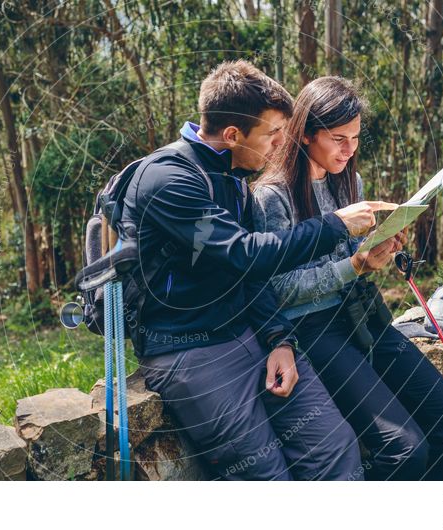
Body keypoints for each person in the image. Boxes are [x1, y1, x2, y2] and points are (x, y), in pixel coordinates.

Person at [120, 61, 393, 480]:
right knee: (265, 475)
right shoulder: (170, 179)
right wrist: (334, 225)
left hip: (248, 335)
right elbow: (246, 256)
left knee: (337, 451)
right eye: (272, 134)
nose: (281, 144)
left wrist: (278, 340)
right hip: (187, 350)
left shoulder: (233, 179)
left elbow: (249, 279)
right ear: (232, 135)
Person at [252, 76, 443, 480]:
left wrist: (374, 253)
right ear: (304, 134)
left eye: (355, 138)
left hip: (361, 314)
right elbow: (279, 291)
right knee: (404, 451)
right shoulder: (272, 197)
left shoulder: (349, 182)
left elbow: (350, 259)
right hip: (313, 330)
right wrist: (352, 266)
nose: (349, 149)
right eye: (338, 138)